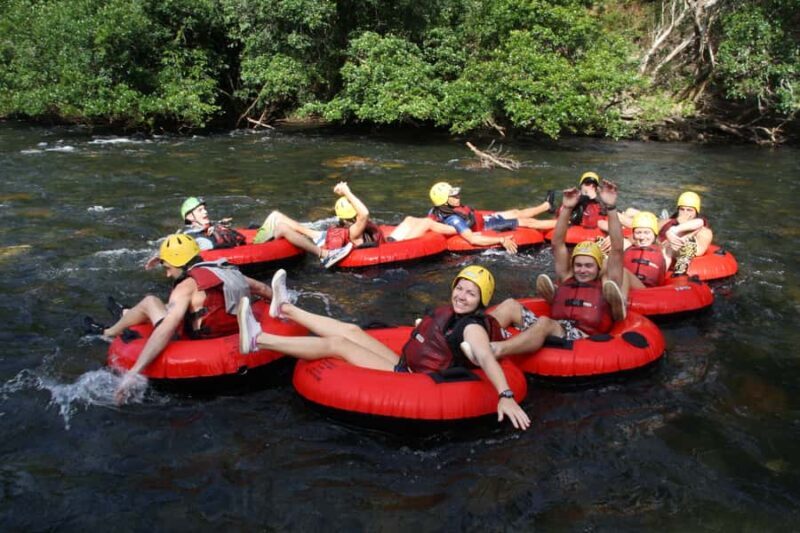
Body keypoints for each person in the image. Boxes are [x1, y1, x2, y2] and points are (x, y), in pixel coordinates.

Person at [236, 266, 531, 430]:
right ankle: (285, 308)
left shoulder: (472, 327)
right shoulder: (452, 314)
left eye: (471, 293)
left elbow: (485, 356)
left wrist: (505, 395)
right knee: (352, 331)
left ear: (482, 300)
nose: (462, 296)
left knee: (338, 345)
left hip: (412, 380)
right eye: (460, 288)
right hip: (404, 363)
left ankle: (258, 340)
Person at [88, 234, 273, 404]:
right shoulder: (229, 271)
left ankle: (109, 332)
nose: (168, 274)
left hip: (200, 341)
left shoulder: (185, 287)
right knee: (164, 305)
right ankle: (126, 313)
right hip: (232, 332)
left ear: (179, 264)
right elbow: (263, 289)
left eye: (168, 268)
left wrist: (134, 372)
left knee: (150, 301)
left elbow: (167, 328)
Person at [463, 180, 627, 360]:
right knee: (510, 305)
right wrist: (566, 207)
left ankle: (493, 351)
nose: (582, 270)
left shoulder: (606, 283)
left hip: (582, 338)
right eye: (578, 265)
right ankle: (467, 336)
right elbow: (557, 244)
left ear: (598, 267)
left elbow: (617, 250)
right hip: (556, 328)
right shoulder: (567, 277)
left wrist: (611, 207)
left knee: (544, 323)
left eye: (588, 266)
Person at [387, 182, 557, 252]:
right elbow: (473, 239)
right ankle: (564, 222)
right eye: (453, 196)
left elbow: (422, 221)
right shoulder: (454, 219)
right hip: (487, 225)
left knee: (514, 212)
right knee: (526, 222)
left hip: (482, 218)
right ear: (444, 200)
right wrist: (501, 240)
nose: (458, 196)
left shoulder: (437, 210)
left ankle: (547, 205)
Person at [657, 191, 713, 275]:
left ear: (696, 213)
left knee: (683, 244)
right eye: (682, 209)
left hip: (683, 254)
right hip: (664, 251)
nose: (685, 213)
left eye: (689, 210)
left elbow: (699, 251)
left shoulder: (704, 231)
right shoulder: (666, 222)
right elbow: (653, 238)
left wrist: (683, 228)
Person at [622, 211, 668, 290]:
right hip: (628, 287)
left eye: (647, 233)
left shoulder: (665, 251)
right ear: (633, 235)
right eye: (638, 232)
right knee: (606, 264)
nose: (642, 237)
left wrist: (671, 232)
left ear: (654, 234)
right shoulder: (626, 245)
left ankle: (618, 296)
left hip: (648, 291)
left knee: (623, 272)